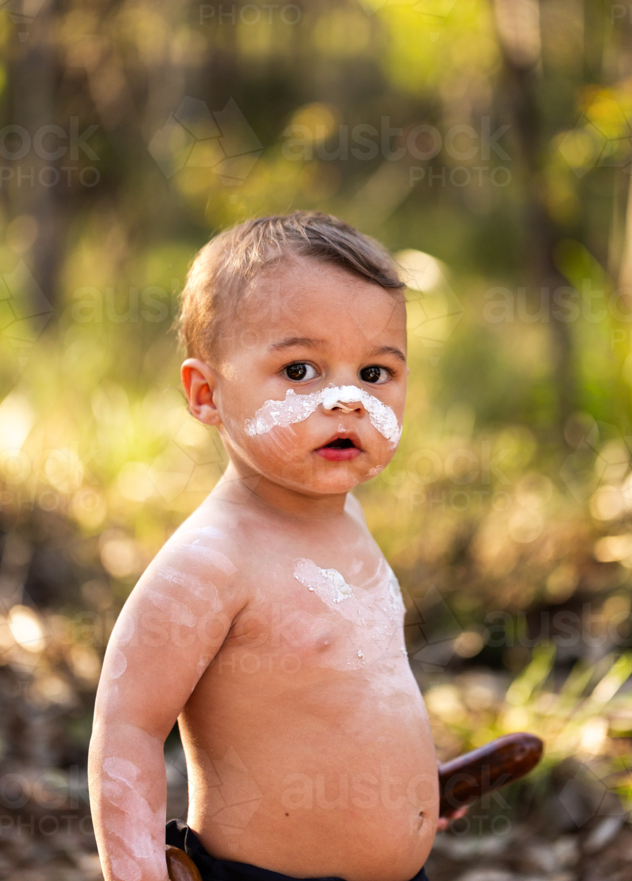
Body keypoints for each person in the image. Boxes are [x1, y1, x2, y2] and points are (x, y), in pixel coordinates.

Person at [88, 211, 463, 881]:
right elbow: (129, 728)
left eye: (375, 373)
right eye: (300, 369)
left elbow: (340, 697)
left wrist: (404, 787)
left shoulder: (346, 523)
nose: (346, 399)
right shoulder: (211, 561)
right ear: (206, 395)